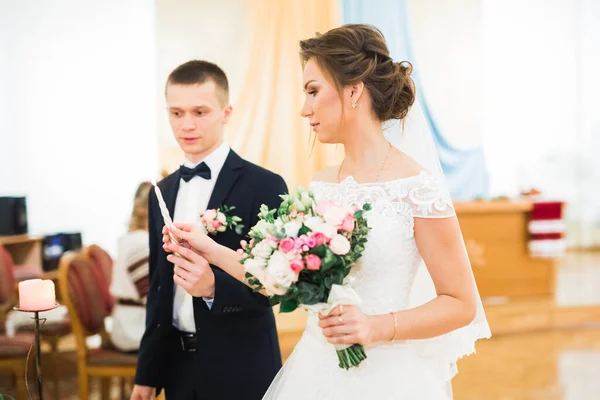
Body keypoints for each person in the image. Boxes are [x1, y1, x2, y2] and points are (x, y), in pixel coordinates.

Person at [163, 25, 491, 399]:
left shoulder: (418, 188)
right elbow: (277, 278)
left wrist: (375, 327)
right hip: (315, 369)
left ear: (353, 91)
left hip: (390, 378)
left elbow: (460, 304)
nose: (305, 109)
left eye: (313, 91)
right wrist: (209, 249)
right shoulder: (321, 184)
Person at [131, 60, 288, 400]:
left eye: (200, 112)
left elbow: (277, 286)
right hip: (177, 367)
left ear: (226, 112)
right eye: (176, 113)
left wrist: (214, 287)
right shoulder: (162, 190)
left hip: (242, 363)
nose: (186, 124)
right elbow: (159, 290)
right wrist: (147, 373)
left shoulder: (264, 185)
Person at [109, 181, 153, 352]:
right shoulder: (138, 243)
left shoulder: (138, 239)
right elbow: (151, 297)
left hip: (135, 320)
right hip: (134, 327)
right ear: (143, 209)